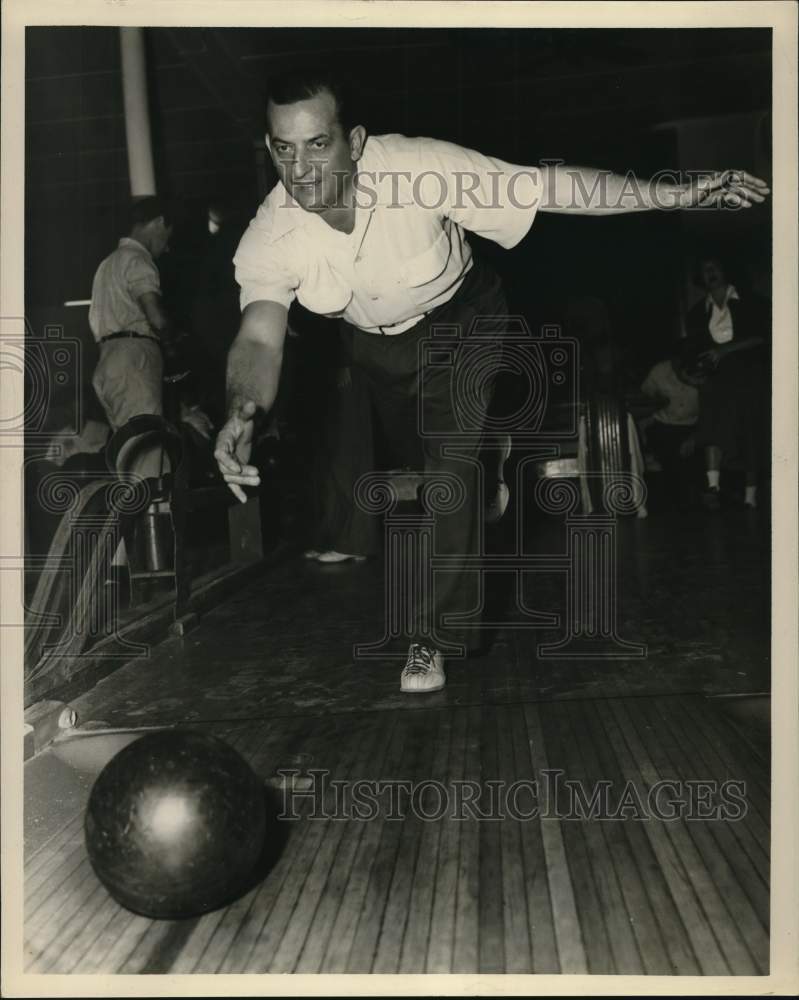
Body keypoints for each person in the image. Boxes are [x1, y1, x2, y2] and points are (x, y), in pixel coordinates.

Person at [213, 68, 769, 693]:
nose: (302, 168)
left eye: (318, 144)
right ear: (270, 149)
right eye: (284, 148)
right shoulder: (271, 231)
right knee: (435, 469)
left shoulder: (420, 170)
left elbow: (553, 187)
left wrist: (676, 193)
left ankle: (431, 637)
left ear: (356, 141)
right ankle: (484, 472)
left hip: (462, 320)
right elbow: (260, 335)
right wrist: (241, 414)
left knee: (451, 469)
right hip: (374, 346)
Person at [89, 196, 176, 479]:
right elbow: (157, 317)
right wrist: (176, 341)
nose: (167, 246)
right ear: (159, 222)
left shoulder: (107, 264)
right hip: (134, 360)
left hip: (108, 362)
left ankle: (137, 522)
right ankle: (154, 522)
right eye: (167, 237)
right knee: (149, 459)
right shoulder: (139, 259)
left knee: (128, 460)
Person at [684, 254, 770, 510]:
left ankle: (750, 496)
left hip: (749, 373)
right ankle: (713, 486)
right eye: (704, 269)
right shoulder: (697, 312)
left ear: (726, 270)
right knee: (712, 420)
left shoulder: (753, 302)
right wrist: (694, 371)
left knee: (750, 430)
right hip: (717, 377)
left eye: (714, 267)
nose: (709, 273)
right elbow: (694, 350)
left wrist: (724, 351)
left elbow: (762, 338)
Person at [638, 344, 705, 508]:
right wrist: (655, 400)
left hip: (694, 425)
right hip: (664, 423)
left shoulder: (701, 371)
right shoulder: (660, 371)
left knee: (693, 460)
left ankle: (696, 501)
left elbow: (713, 410)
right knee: (667, 460)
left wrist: (695, 436)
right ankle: (672, 505)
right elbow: (644, 394)